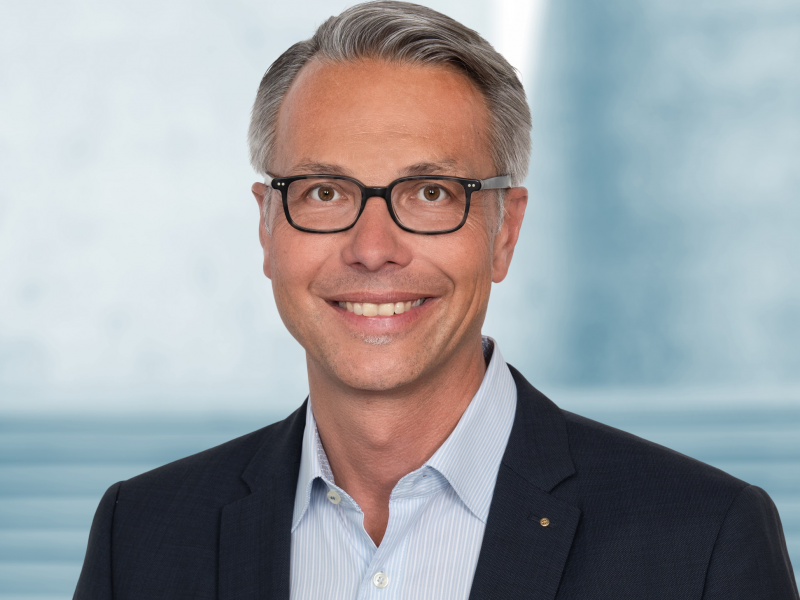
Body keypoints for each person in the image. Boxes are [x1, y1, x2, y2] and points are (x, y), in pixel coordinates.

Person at [73, 2, 798, 598]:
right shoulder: (139, 536)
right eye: (324, 192)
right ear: (267, 227)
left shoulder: (701, 541)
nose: (372, 247)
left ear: (504, 232)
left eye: (429, 193)